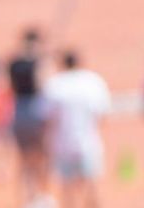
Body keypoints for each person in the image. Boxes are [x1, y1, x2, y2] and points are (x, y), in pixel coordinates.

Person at [44, 50, 111, 208]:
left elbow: (47, 117)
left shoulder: (55, 84)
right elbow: (102, 114)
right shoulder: (93, 81)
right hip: (88, 141)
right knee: (92, 186)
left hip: (62, 143)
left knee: (67, 189)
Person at [8, 27, 51, 207]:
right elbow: (43, 85)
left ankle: (27, 197)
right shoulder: (39, 63)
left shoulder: (13, 63)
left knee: (24, 159)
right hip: (36, 110)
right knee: (42, 156)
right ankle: (42, 196)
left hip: (18, 110)